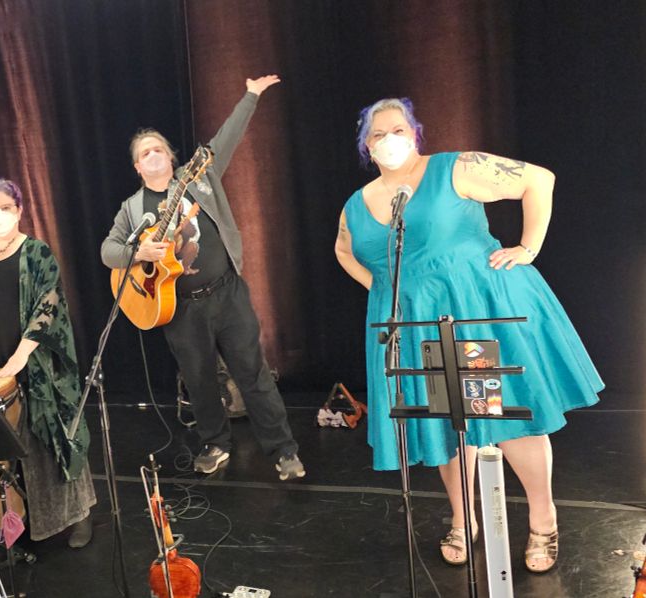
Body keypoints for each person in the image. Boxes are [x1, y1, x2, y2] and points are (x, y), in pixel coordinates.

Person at [334, 98, 603, 572]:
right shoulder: (358, 203)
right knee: (449, 424)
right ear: (365, 146)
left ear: (415, 133)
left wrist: (528, 247)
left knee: (501, 418)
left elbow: (538, 180)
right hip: (416, 324)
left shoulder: (453, 168)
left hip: (471, 312)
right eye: (378, 134)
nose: (389, 139)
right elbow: (344, 250)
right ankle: (465, 518)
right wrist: (384, 289)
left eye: (398, 129)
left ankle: (543, 519)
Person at [100, 75, 305, 481]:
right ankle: (215, 443)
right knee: (199, 382)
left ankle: (283, 450)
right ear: (137, 167)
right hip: (179, 309)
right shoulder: (132, 207)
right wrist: (137, 251)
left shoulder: (199, 179)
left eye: (159, 148)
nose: (153, 155)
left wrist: (250, 94)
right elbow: (108, 251)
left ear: (173, 157)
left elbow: (226, 137)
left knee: (253, 374)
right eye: (145, 153)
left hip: (227, 294)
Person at [0, 179, 97, 549]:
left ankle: (78, 517)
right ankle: (13, 521)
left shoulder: (37, 252)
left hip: (34, 364)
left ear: (19, 210)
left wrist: (21, 355)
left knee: (52, 443)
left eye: (5, 208)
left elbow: (48, 305)